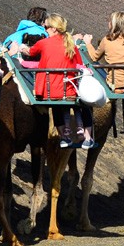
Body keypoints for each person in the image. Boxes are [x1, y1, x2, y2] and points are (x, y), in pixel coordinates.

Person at [26, 13, 94, 148]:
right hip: (69, 91)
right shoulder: (71, 45)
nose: (44, 30)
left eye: (46, 27)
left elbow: (31, 52)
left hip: (50, 92)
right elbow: (78, 66)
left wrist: (21, 49)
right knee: (83, 104)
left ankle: (64, 137)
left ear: (54, 29)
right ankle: (87, 136)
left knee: (56, 103)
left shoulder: (43, 43)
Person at [85, 12, 124, 132]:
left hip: (116, 81)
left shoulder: (106, 41)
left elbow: (94, 57)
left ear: (113, 25)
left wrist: (88, 43)